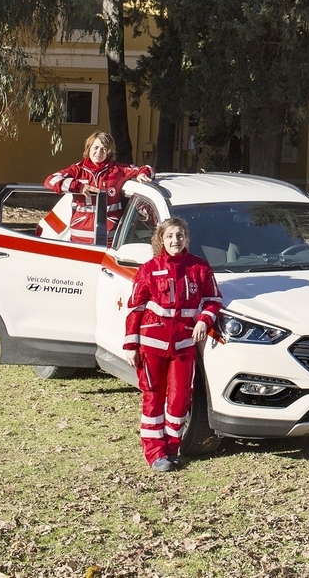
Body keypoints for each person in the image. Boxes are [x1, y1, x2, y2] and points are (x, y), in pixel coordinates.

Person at [122, 217, 222, 471]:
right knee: (153, 397)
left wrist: (203, 320)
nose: (175, 241)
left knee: (179, 399)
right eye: (169, 236)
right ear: (160, 240)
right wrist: (131, 346)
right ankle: (155, 453)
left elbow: (213, 299)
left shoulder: (199, 268)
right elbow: (135, 309)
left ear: (186, 238)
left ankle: (171, 448)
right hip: (152, 344)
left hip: (184, 345)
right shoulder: (148, 269)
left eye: (179, 236)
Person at [44, 132, 153, 244]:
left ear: (109, 152)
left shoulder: (117, 170)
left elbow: (147, 169)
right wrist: (78, 187)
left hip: (109, 238)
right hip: (80, 237)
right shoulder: (77, 170)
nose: (99, 152)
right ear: (89, 148)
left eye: (104, 149)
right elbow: (50, 180)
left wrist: (142, 173)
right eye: (95, 147)